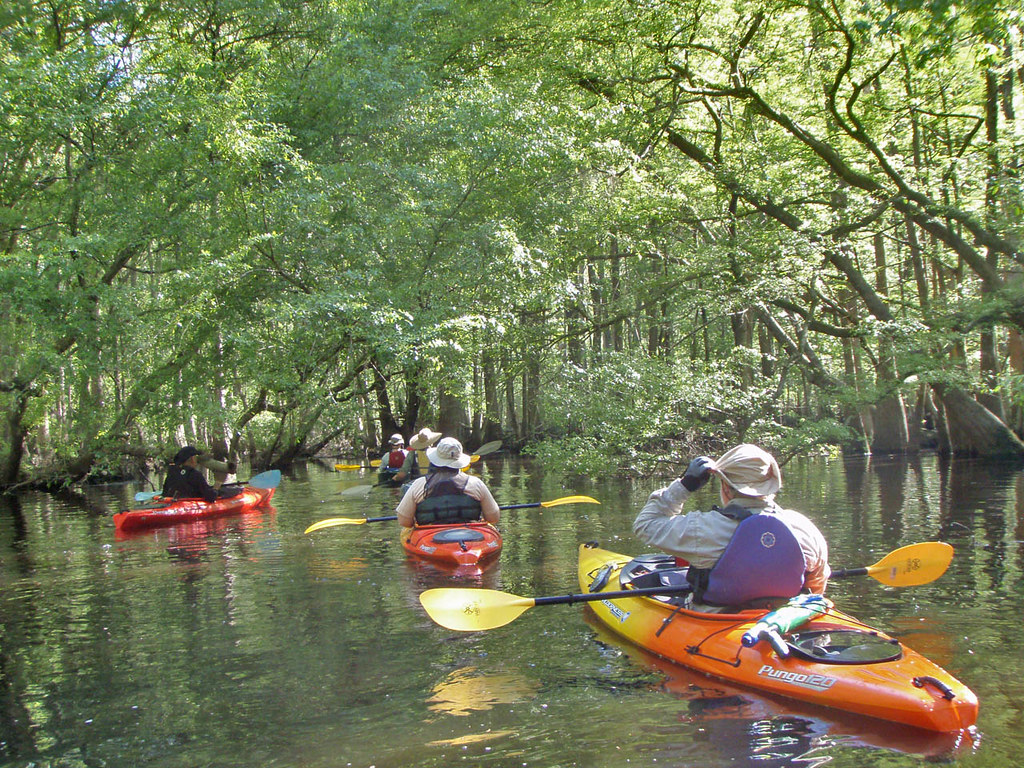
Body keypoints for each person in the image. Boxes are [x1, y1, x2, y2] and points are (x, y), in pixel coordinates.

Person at [632, 443, 829, 612]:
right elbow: (816, 584)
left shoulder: (704, 529)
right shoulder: (803, 527)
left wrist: (684, 486)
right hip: (783, 619)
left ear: (726, 487)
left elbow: (646, 524)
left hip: (718, 624)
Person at [396, 437, 500, 527]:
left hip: (429, 536)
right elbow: (493, 518)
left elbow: (404, 521)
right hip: (469, 536)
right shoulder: (475, 483)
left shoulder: (419, 484)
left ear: (435, 460)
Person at [161, 446, 243, 501]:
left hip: (175, 501)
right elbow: (211, 497)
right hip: (188, 504)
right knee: (229, 491)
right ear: (193, 459)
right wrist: (216, 488)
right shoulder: (195, 474)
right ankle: (240, 489)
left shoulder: (171, 472)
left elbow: (164, 493)